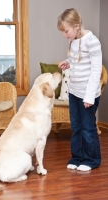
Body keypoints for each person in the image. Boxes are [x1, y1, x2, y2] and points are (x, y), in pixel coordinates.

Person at [57, 8, 102, 171]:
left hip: (88, 95)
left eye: (66, 31)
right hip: (74, 92)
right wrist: (68, 62)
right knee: (76, 127)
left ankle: (92, 159)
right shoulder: (73, 40)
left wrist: (89, 97)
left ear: (76, 26)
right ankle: (78, 157)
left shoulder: (92, 41)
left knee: (88, 128)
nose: (64, 34)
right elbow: (77, 59)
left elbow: (96, 71)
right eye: (62, 31)